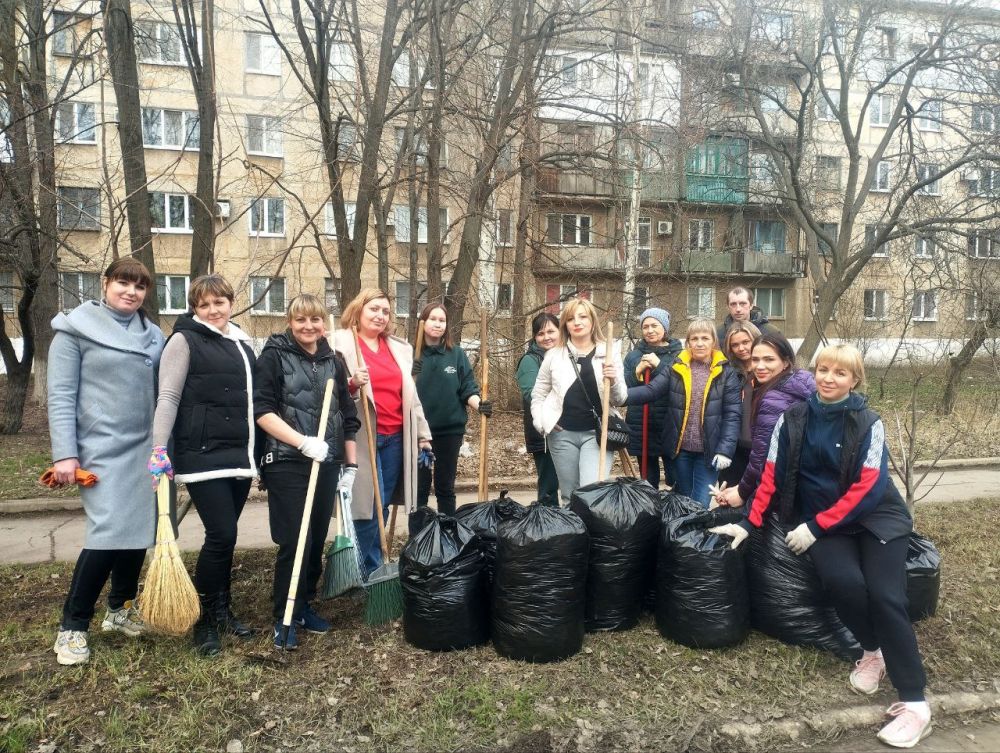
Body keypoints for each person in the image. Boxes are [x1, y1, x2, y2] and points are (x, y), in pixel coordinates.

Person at [711, 344, 931, 749]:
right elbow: (772, 476)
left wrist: (815, 527)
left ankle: (915, 703)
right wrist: (749, 522)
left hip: (873, 517)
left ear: (855, 380)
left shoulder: (868, 421)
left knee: (885, 595)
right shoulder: (792, 419)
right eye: (823, 370)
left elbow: (869, 486)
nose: (829, 378)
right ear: (813, 373)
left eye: (840, 373)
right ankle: (872, 652)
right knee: (842, 582)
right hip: (823, 522)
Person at [47, 258, 164, 666]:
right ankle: (73, 628)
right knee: (107, 533)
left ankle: (119, 609)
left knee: (138, 531)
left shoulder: (154, 335)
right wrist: (65, 453)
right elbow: (60, 395)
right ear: (105, 283)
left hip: (145, 448)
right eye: (123, 283)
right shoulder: (74, 329)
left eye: (139, 286)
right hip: (99, 450)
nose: (131, 292)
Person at [148, 274, 258, 656]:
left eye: (219, 303)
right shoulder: (183, 340)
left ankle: (222, 608)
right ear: (195, 308)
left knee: (227, 538)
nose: (213, 311)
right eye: (204, 305)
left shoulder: (243, 343)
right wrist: (159, 448)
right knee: (222, 535)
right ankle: (205, 621)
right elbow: (168, 396)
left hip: (240, 457)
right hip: (202, 455)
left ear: (231, 302)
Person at [254, 294, 360, 649]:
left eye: (315, 320)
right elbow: (263, 411)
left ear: (323, 322)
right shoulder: (273, 355)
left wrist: (351, 464)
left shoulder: (334, 360)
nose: (309, 327)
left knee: (315, 538)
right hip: (287, 459)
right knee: (293, 539)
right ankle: (282, 615)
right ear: (290, 321)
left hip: (326, 461)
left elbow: (347, 416)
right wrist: (301, 442)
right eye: (300, 320)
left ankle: (303, 606)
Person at [332, 289, 432, 574]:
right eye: (374, 309)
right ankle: (367, 569)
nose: (380, 316)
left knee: (382, 504)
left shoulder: (398, 348)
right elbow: (330, 394)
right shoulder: (340, 343)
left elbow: (411, 398)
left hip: (395, 436)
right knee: (365, 506)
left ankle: (370, 565)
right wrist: (351, 384)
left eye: (385, 311)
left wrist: (423, 435)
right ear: (359, 310)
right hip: (361, 437)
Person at [626, 318, 740, 506]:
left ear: (713, 342)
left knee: (701, 503)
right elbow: (652, 390)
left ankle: (696, 534)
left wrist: (725, 450)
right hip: (681, 450)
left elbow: (732, 414)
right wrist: (622, 396)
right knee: (684, 500)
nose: (700, 343)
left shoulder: (726, 373)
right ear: (688, 343)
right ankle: (685, 535)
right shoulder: (677, 367)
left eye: (705, 338)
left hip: (710, 453)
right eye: (694, 339)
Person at [530, 298, 626, 507]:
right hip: (562, 435)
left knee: (592, 494)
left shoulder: (608, 351)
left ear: (592, 321)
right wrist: (542, 422)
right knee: (569, 496)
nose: (577, 322)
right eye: (571, 318)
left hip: (597, 435)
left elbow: (620, 399)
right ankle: (573, 538)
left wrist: (615, 379)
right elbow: (538, 395)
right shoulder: (554, 355)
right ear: (565, 324)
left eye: (583, 316)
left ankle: (593, 539)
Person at [715, 331, 813, 506]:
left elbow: (761, 454)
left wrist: (741, 492)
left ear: (785, 362)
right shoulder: (795, 382)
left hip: (779, 487)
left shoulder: (776, 397)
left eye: (769, 359)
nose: (759, 366)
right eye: (755, 359)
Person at [412, 303, 491, 517]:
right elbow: (401, 393)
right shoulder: (412, 354)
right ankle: (419, 537)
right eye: (433, 319)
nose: (438, 324)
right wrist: (410, 374)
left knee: (445, 487)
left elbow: (467, 388)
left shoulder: (455, 354)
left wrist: (479, 404)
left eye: (442, 320)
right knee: (419, 488)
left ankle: (448, 536)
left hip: (449, 432)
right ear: (423, 321)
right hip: (419, 434)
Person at [624, 307, 683, 489]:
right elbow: (624, 387)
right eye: (645, 326)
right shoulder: (633, 356)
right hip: (642, 424)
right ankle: (650, 513)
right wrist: (637, 371)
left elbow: (680, 384)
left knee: (676, 477)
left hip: (669, 422)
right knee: (648, 479)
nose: (649, 330)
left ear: (664, 328)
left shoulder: (679, 355)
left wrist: (659, 365)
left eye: (654, 326)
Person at [515, 313, 560, 506]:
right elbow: (532, 394)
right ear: (534, 337)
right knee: (549, 485)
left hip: (571, 427)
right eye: (541, 333)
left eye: (551, 331)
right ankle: (549, 529)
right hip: (544, 432)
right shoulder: (530, 361)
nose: (547, 337)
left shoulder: (567, 355)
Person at [717, 321, 761, 486]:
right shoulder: (727, 373)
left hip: (760, 447)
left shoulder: (769, 372)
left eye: (745, 342)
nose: (741, 348)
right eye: (735, 345)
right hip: (734, 447)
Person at [715, 287, 779, 344]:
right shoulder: (718, 334)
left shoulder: (770, 332)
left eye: (743, 304)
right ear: (728, 307)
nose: (738, 309)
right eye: (733, 304)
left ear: (751, 306)